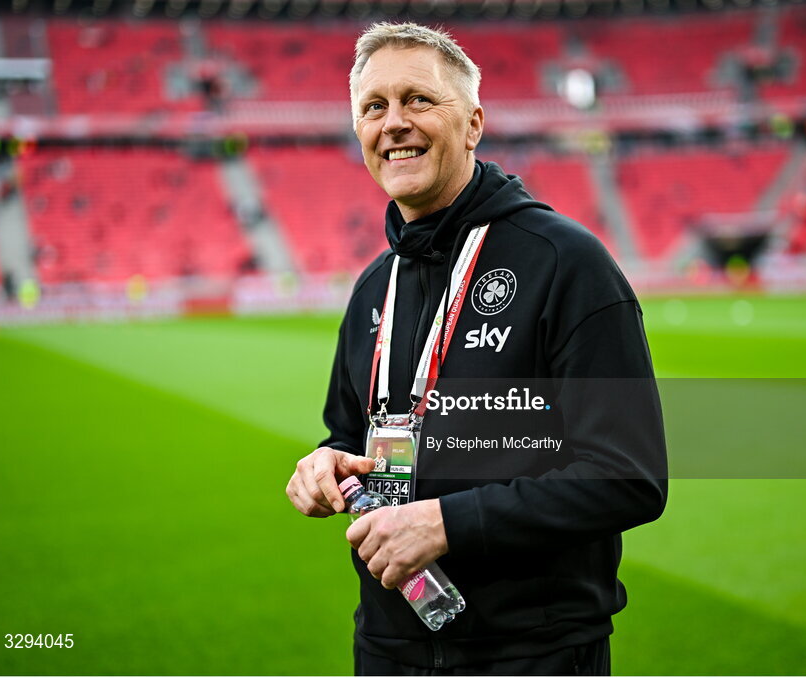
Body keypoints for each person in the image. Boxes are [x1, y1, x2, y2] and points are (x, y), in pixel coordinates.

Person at [285, 22, 667, 675]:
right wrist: (322, 464)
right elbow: (350, 431)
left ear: (473, 124)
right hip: (388, 648)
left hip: (533, 653)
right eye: (373, 107)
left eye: (419, 101)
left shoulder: (565, 264)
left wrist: (448, 524)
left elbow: (628, 476)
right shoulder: (375, 288)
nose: (394, 122)